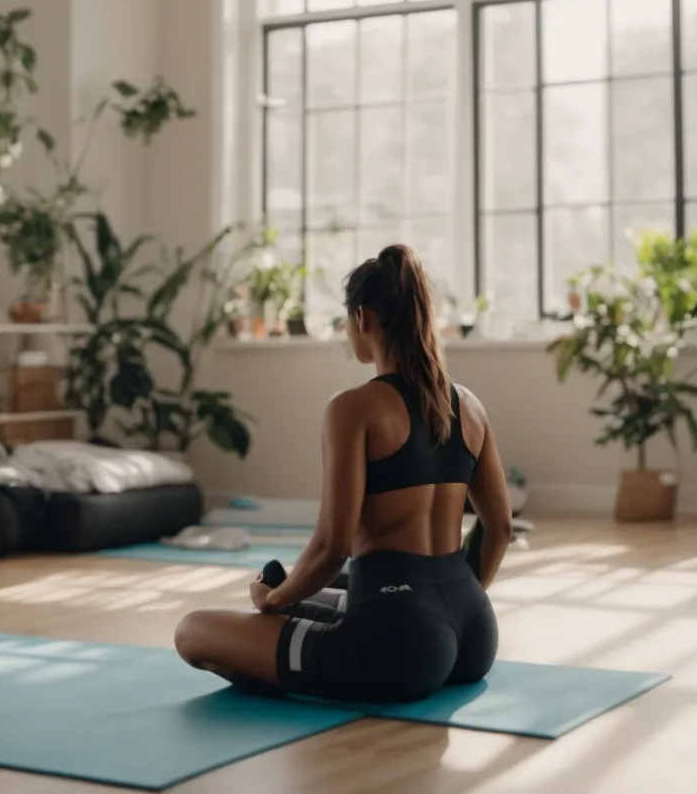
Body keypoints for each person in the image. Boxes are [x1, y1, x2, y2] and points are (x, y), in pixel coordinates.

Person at [173, 245, 514, 704]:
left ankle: (299, 661)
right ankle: (316, 629)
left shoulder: (352, 409)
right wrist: (454, 599)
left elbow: (332, 547)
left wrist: (271, 603)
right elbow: (501, 529)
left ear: (363, 318)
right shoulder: (469, 406)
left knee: (194, 631)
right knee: (332, 593)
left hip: (399, 649)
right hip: (474, 631)